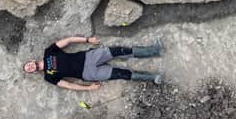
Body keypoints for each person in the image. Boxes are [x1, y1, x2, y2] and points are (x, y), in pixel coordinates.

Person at [22, 36, 163, 91]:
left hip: (89, 57)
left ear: (31, 60)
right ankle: (154, 78)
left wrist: (88, 40)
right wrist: (88, 88)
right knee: (121, 74)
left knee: (120, 50)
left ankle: (154, 50)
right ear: (33, 71)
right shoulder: (48, 77)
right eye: (28, 69)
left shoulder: (49, 52)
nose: (29, 66)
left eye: (27, 64)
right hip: (88, 73)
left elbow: (69, 40)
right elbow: (69, 85)